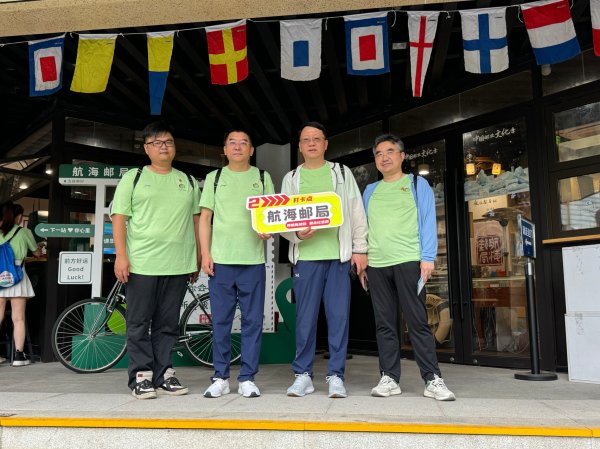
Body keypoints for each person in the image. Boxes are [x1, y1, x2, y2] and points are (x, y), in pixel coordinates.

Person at [361, 133, 455, 401]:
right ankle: (389, 377)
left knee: (417, 322)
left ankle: (432, 378)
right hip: (377, 264)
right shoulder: (370, 190)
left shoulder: (416, 183)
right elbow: (363, 227)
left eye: (390, 151)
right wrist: (363, 258)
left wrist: (428, 257)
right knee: (384, 324)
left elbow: (427, 220)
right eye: (379, 154)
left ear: (402, 156)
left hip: (409, 261)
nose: (384, 157)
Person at [111, 121, 201, 399]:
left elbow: (196, 221)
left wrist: (198, 256)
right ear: (147, 148)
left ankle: (164, 374)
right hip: (142, 263)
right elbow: (119, 217)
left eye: (169, 142)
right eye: (157, 143)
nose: (164, 147)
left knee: (168, 323)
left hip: (179, 264)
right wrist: (121, 256)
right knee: (138, 322)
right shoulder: (134, 177)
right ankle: (141, 376)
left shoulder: (188, 181)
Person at [281, 122, 368, 398]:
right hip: (306, 258)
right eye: (306, 139)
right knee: (305, 319)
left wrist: (360, 248)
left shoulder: (341, 172)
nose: (311, 143)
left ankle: (336, 376)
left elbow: (356, 211)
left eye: (316, 138)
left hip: (338, 258)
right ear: (299, 146)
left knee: (338, 317)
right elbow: (283, 219)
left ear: (325, 144)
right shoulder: (291, 178)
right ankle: (303, 375)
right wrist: (296, 234)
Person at [199, 129, 274, 398]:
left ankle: (247, 378)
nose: (238, 147)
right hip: (220, 261)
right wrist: (205, 254)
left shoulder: (263, 177)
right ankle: (220, 377)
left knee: (253, 321)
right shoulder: (215, 178)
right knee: (221, 321)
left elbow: (271, 214)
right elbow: (205, 218)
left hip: (252, 261)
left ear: (252, 150)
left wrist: (268, 230)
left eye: (244, 143)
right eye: (232, 142)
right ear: (225, 149)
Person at [0, 202, 41, 366]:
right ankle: (18, 356)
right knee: (18, 318)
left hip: (0, 276)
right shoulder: (24, 232)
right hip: (17, 276)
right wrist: (39, 248)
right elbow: (37, 253)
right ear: (17, 217)